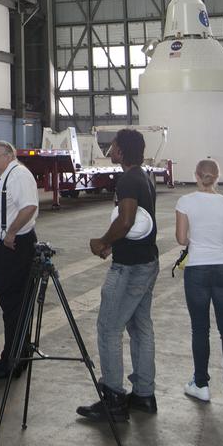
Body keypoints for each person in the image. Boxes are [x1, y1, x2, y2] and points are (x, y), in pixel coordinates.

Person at [76, 128, 159, 423]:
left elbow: (126, 220)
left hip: (129, 268)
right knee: (140, 327)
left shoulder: (127, 180)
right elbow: (140, 224)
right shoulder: (144, 177)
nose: (109, 150)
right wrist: (118, 241)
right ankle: (144, 394)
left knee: (109, 328)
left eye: (112, 146)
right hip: (147, 260)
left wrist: (104, 242)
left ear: (121, 151)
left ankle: (113, 398)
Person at [175, 159, 223, 404]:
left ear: (196, 175)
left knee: (200, 329)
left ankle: (201, 385)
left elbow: (182, 239)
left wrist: (201, 238)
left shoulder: (185, 202)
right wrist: (220, 239)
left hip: (197, 271)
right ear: (217, 176)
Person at [0, 141, 38, 381]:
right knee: (15, 309)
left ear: (10, 155)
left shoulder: (18, 175)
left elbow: (29, 207)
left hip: (13, 249)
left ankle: (10, 361)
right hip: (6, 249)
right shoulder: (9, 176)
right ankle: (17, 357)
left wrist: (11, 232)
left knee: (14, 308)